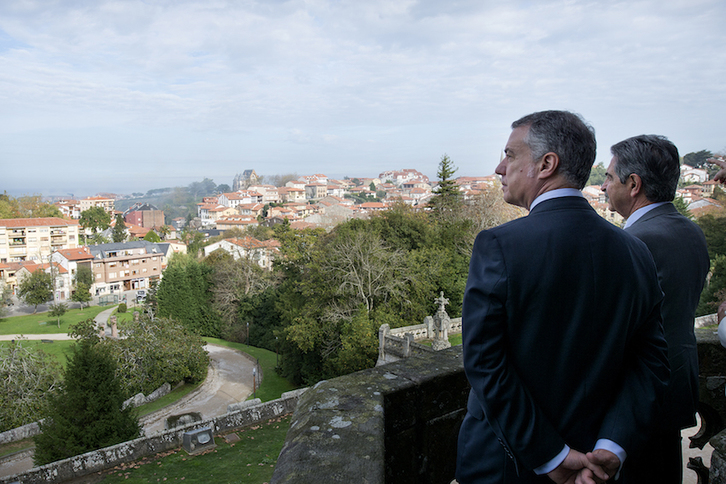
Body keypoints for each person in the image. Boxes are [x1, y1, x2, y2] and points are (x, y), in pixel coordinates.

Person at [456, 110, 670, 484]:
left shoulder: (500, 246)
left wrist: (551, 455)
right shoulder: (636, 252)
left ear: (546, 164)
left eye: (510, 155)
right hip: (598, 464)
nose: (499, 168)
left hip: (508, 463)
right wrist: (612, 446)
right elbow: (650, 362)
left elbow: (484, 361)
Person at [601, 134, 710, 483]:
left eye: (608, 177)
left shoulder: (635, 241)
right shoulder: (691, 231)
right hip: (677, 387)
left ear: (633, 184)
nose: (603, 186)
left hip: (635, 397)